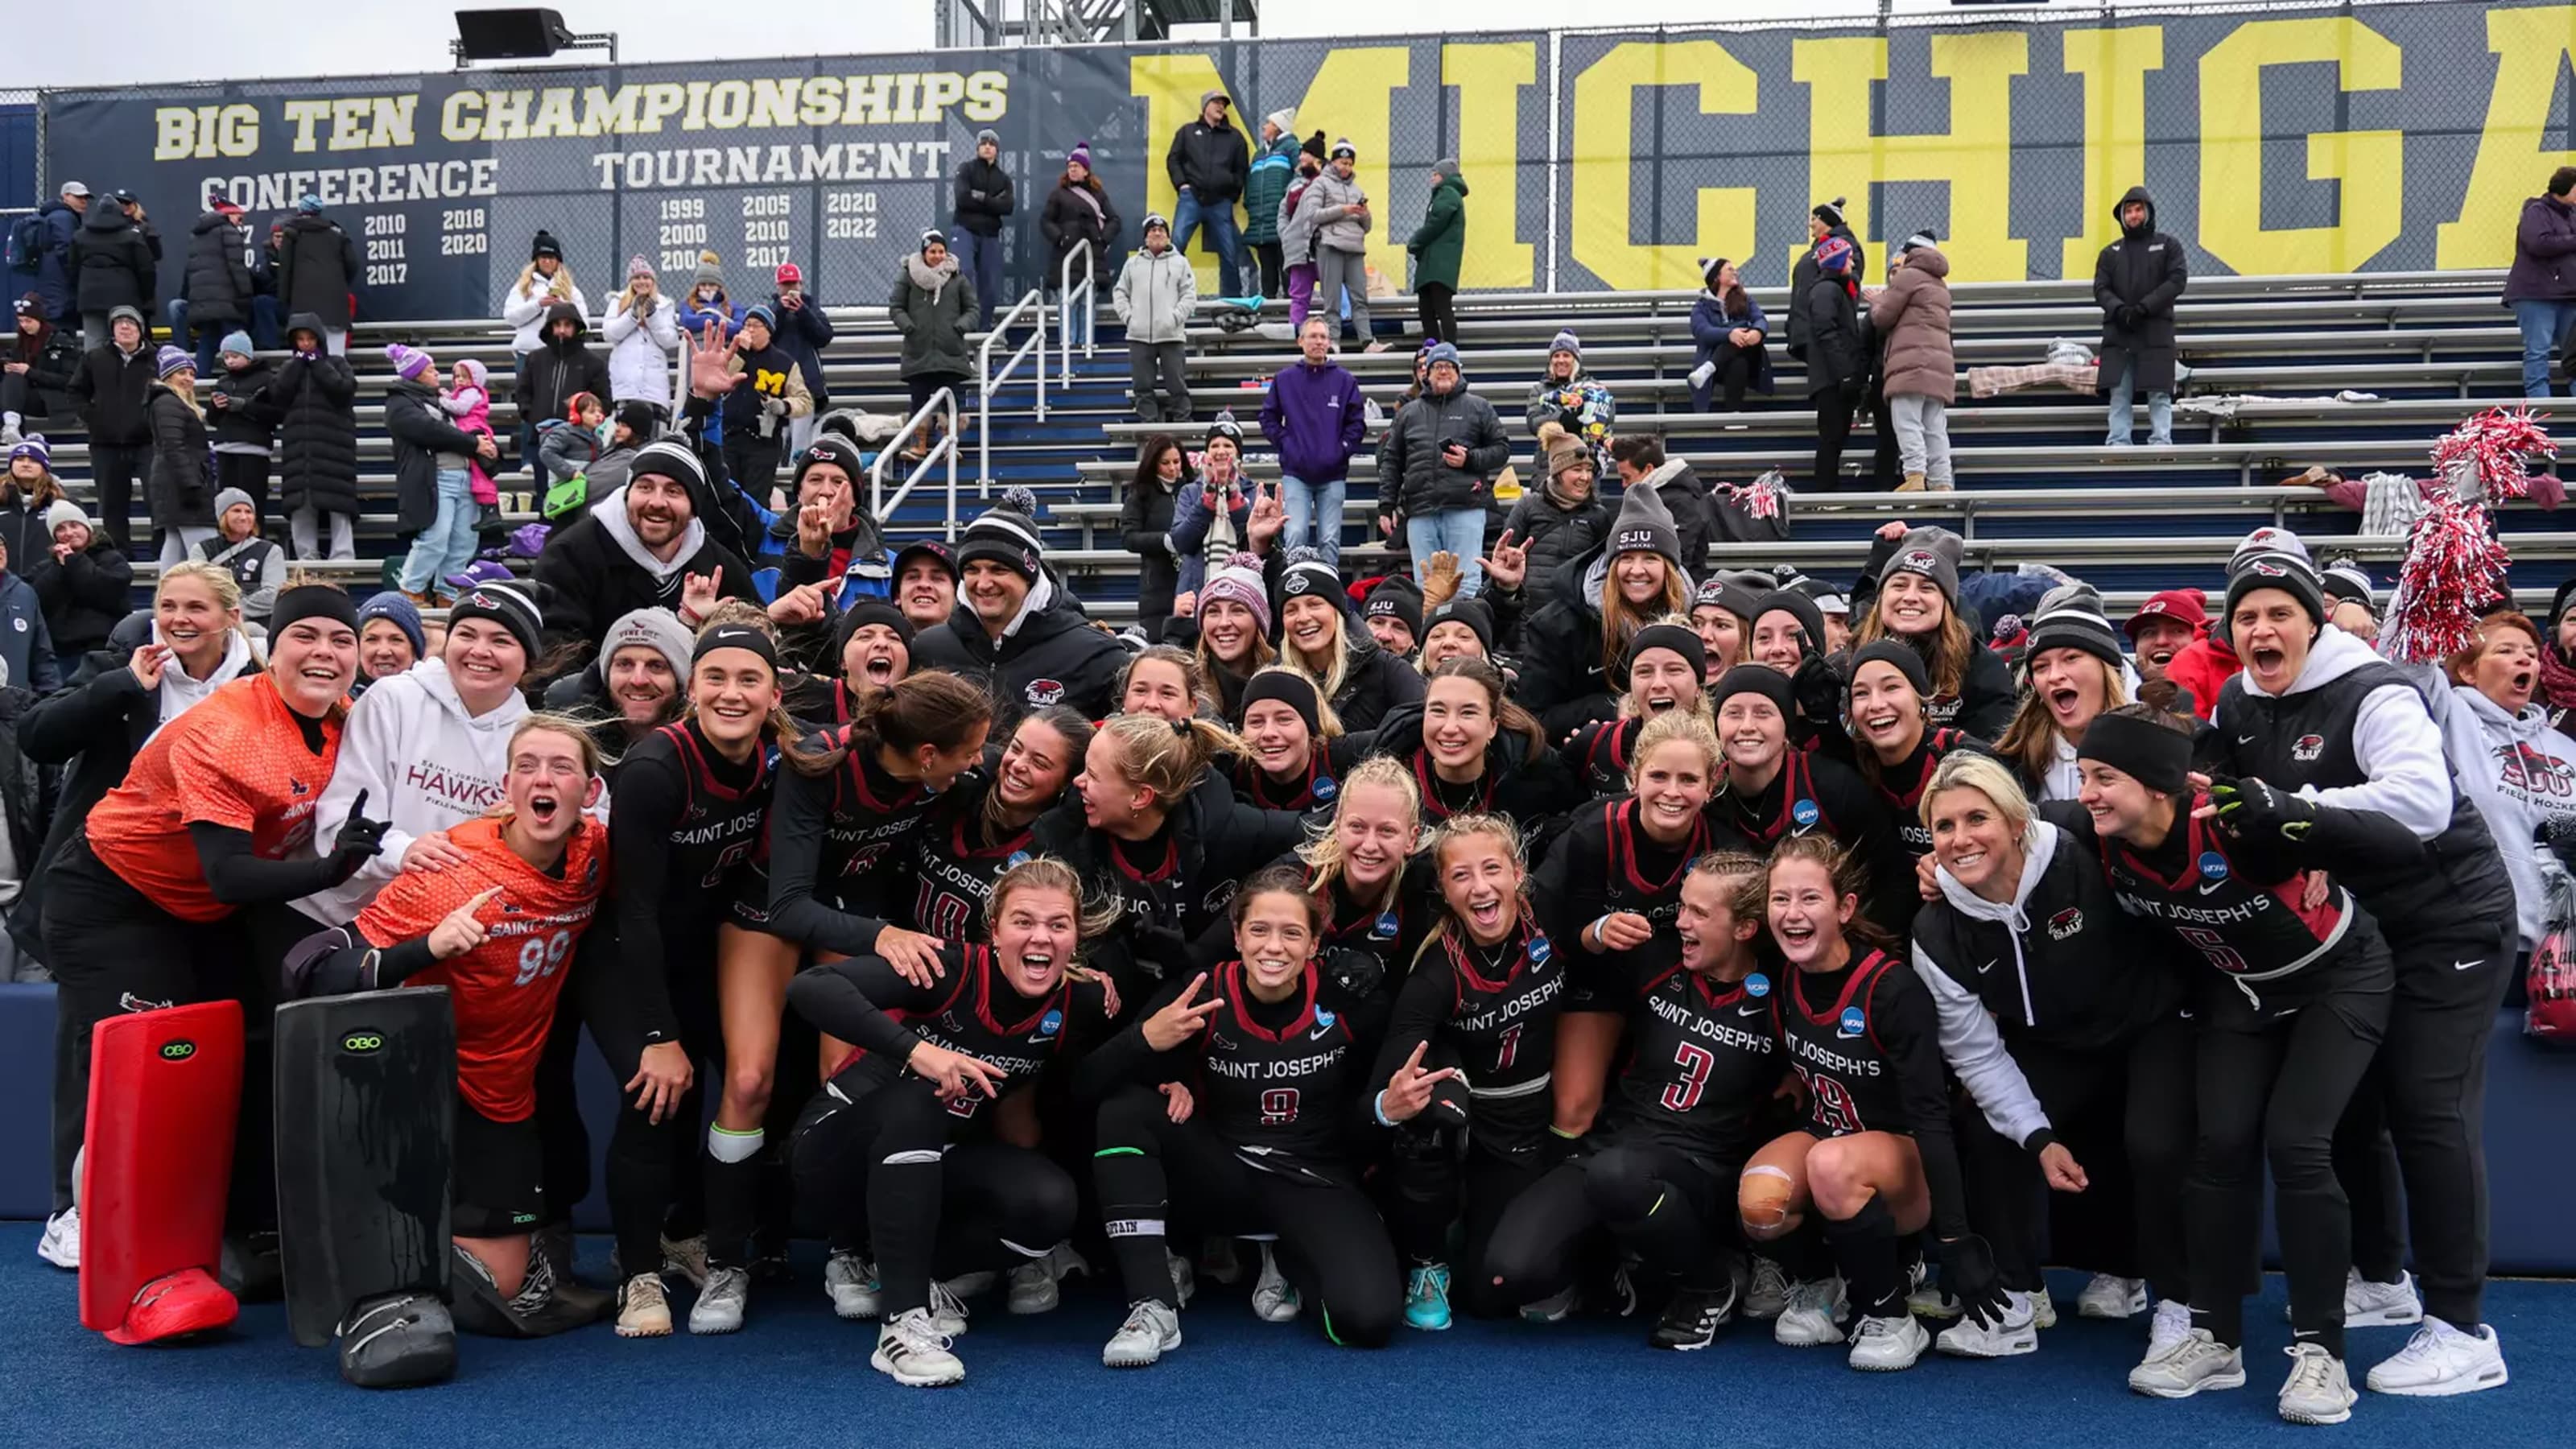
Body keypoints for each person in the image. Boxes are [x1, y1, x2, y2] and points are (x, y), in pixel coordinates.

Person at [2201, 530, 2520, 1399]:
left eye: (2278, 612)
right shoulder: (2234, 698)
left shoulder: (2371, 691)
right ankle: (2380, 1281)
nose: (2261, 629)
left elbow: (2419, 802)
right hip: (2357, 935)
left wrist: (2288, 806)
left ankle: (2461, 1329)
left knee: (2427, 1108)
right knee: (2349, 1110)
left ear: (2312, 619)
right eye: (2245, 615)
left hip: (2446, 921)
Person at [2077, 704, 2409, 1422]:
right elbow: (2008, 824)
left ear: (2161, 784)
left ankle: (2324, 1354)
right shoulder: (2096, 834)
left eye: (2104, 777)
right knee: (2217, 1145)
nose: (2087, 793)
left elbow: (2400, 841)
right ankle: (2215, 1337)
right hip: (2239, 992)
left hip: (2338, 978)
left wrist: (2308, 826)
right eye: (2082, 776)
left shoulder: (2234, 823)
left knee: (2297, 1144)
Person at [39, 585, 374, 1287]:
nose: (324, 653)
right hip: (118, 892)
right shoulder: (226, 730)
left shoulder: (348, 717)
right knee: (133, 1055)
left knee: (255, 1041)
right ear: (268, 647)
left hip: (203, 906)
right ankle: (82, 1215)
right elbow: (229, 874)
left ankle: (244, 1224)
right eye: (304, 637)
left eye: (340, 640)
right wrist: (334, 866)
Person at [283, 713, 612, 1335]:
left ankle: (429, 1245)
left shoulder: (593, 852)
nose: (544, 779)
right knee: (493, 1293)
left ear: (589, 794)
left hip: (505, 1086)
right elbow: (309, 969)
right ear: (506, 787)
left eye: (562, 768)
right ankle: (384, 1263)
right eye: (528, 767)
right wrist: (427, 948)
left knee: (508, 1287)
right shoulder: (455, 870)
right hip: (419, 1083)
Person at [702, 673, 992, 1335]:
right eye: (970, 750)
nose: (981, 760)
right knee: (749, 1080)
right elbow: (789, 904)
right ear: (925, 755)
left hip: (857, 915)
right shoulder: (818, 763)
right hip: (772, 914)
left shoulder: (951, 769)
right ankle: (725, 1260)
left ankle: (846, 1250)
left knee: (851, 1083)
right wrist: (884, 936)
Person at [1908, 753, 2190, 1362]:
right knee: (1989, 1131)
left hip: (2152, 1024)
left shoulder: (2079, 841)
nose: (1960, 839)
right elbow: (1978, 1057)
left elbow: (2180, 824)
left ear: (2015, 820)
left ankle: (2180, 1305)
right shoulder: (1935, 931)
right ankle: (2010, 1301)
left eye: (1976, 818)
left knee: (2156, 1142)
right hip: (2058, 1043)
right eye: (1944, 827)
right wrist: (2038, 1138)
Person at [786, 857, 1111, 1385]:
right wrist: (919, 1053)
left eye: (1058, 925)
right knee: (919, 1099)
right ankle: (902, 1325)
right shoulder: (949, 968)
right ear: (995, 932)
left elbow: (1022, 1108)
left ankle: (907, 1276)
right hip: (831, 1162)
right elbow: (811, 989)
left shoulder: (1077, 1002)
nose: (1042, 938)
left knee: (1049, 1204)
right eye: (1024, 922)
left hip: (927, 1169)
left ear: (1077, 938)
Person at [1081, 866, 1401, 1365]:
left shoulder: (1349, 1002)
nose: (1273, 947)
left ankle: (1288, 1256)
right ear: (1236, 936)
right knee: (1127, 1108)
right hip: (1226, 1176)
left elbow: (1375, 1095)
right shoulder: (1203, 992)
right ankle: (1153, 1304)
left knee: (1368, 1322)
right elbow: (1082, 1087)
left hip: (1314, 1180)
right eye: (1259, 930)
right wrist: (1144, 1042)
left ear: (1315, 944)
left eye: (1292, 932)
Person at [585, 623, 795, 1338]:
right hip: (625, 955)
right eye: (716, 678)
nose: (731, 694)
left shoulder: (777, 762)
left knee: (759, 1078)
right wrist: (659, 1033)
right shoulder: (656, 769)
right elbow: (635, 912)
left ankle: (689, 1232)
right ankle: (637, 1269)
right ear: (691, 687)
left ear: (774, 693)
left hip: (704, 954)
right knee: (656, 1094)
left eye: (747, 680)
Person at [1736, 834, 2007, 1373]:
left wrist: (1953, 1235)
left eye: (1810, 898)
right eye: (1780, 899)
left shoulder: (1891, 989)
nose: (1793, 913)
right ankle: (1824, 1282)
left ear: (1845, 907)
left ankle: (1890, 1313)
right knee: (1760, 1200)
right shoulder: (1786, 973)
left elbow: (1932, 1116)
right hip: (1830, 1141)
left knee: (1830, 1163)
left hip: (1905, 1169)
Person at [1373, 811, 1567, 1327]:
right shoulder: (1436, 971)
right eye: (1461, 876)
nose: (1480, 888)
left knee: (1495, 1292)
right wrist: (1388, 1105)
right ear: (1443, 889)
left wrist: (1596, 932)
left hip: (1531, 1123)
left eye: (1491, 870)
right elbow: (1391, 1072)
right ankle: (1426, 1259)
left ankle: (1474, 1231)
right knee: (1424, 1117)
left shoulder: (1549, 913)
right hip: (1471, 1120)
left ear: (1517, 874)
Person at [1536, 710, 1723, 1148]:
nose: (1672, 793)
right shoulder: (1590, 833)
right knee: (1574, 1106)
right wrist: (1596, 934)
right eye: (1658, 776)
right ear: (1634, 778)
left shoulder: (1723, 848)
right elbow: (1543, 928)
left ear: (1712, 786)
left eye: (1689, 780)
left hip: (1684, 990)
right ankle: (1565, 1179)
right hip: (1599, 981)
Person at [535, 440, 761, 660]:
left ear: (694, 509)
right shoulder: (571, 555)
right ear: (627, 494)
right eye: (645, 487)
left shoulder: (717, 566)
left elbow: (759, 648)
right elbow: (552, 660)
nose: (657, 502)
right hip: (591, 696)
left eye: (674, 491)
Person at [910, 499, 1125, 724]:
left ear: (1029, 576)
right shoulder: (929, 648)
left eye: (999, 570)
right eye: (972, 570)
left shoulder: (1096, 654)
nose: (983, 583)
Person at [1508, 483, 1692, 738]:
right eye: (1626, 558)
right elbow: (1529, 718)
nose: (1636, 570)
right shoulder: (1558, 624)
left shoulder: (1695, 617)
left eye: (1650, 558)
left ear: (1669, 568)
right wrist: (1612, 708)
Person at [898, 706, 1092, 943]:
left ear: (1067, 783)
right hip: (900, 954)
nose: (1018, 765)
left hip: (977, 973)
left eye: (1040, 763)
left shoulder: (1062, 849)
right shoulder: (955, 788)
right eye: (1016, 749)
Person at [1857, 527, 2017, 739]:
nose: (1910, 597)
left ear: (1947, 603)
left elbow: (1996, 751)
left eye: (1926, 588)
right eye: (1899, 585)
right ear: (1882, 598)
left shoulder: (1981, 668)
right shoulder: (1850, 659)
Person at [1844, 640, 1992, 869]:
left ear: (1920, 698)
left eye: (1891, 687)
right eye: (1861, 694)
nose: (1875, 704)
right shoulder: (1854, 766)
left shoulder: (1966, 758)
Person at [1378, 342, 1509, 595]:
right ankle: (1431, 635)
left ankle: (1464, 635)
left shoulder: (1478, 407)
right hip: (1420, 510)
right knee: (1426, 587)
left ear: (1459, 371)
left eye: (1449, 366)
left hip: (1465, 508)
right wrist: (1386, 505)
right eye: (1437, 366)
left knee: (1467, 583)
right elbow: (1391, 461)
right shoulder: (1408, 413)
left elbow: (1501, 449)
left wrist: (1469, 459)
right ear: (1426, 373)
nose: (1444, 371)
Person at [385, 345, 500, 604]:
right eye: (430, 370)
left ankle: (447, 595)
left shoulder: (446, 399)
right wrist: (473, 444)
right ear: (415, 375)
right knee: (435, 539)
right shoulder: (400, 403)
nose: (438, 374)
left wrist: (489, 448)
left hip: (467, 478)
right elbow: (430, 430)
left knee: (464, 542)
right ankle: (411, 591)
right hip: (437, 479)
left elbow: (474, 428)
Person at [1995, 583, 2130, 801]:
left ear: (2107, 668)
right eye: (2041, 667)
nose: (2054, 676)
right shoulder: (2016, 758)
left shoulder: (2156, 745)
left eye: (2071, 658)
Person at [1557, 619, 1712, 796]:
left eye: (1674, 670)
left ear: (1699, 687)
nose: (1658, 683)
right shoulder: (1594, 744)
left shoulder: (1723, 753)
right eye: (1644, 672)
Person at [1278, 553, 1425, 732]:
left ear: (1337, 611)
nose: (1303, 618)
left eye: (1314, 604)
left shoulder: (1388, 670)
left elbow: (1421, 729)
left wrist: (1332, 752)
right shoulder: (1272, 677)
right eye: (1291, 610)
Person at [1263, 316, 1368, 564]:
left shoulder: (1344, 380)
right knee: (1295, 534)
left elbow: (1357, 423)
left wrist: (1341, 450)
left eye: (1323, 337)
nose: (1318, 342)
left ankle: (1328, 595)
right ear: (1301, 341)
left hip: (1333, 474)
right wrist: (1287, 444)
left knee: (1329, 539)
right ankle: (1291, 590)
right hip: (1296, 473)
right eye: (1313, 336)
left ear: (1329, 342)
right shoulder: (1285, 380)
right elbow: (1268, 417)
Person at [2095, 186, 2187, 448]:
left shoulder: (2169, 245)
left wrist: (2145, 308)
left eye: (2138, 210)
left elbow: (2177, 280)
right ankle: (2118, 443)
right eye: (2129, 211)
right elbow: (2101, 289)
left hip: (2156, 332)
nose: (2133, 216)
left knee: (2159, 391)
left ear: (2147, 213)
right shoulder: (2109, 253)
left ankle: (2161, 443)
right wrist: (2120, 310)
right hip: (2119, 333)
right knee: (2119, 393)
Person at [1870, 231, 1955, 493]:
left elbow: (1883, 318)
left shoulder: (1908, 276)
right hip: (1938, 365)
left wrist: (1878, 301)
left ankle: (1915, 477)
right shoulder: (1940, 285)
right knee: (1934, 427)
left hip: (1911, 361)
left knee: (1907, 421)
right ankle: (1941, 482)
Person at [66, 305, 155, 550]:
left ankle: (162, 554)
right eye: (119, 323)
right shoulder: (95, 358)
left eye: (130, 322)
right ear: (112, 329)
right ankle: (120, 560)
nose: (124, 327)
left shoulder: (156, 359)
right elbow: (75, 391)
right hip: (105, 444)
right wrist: (93, 417)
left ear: (141, 329)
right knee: (112, 507)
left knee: (157, 501)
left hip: (149, 443)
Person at [272, 314, 359, 560]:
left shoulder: (337, 363)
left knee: (338, 504)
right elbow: (278, 395)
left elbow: (344, 390)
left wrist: (319, 364)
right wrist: (297, 366)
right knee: (302, 505)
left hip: (335, 448)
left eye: (310, 338)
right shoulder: (290, 368)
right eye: (300, 339)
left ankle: (343, 556)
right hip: (299, 448)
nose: (306, 343)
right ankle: (306, 558)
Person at [1496, 441, 1611, 626]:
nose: (1585, 477)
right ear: (1558, 472)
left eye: (1589, 470)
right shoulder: (1528, 506)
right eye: (1577, 469)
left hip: (1576, 620)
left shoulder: (1598, 516)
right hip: (1528, 618)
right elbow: (1506, 556)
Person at [890, 231, 978, 462]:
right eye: (933, 251)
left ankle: (949, 444)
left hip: (951, 353)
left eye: (941, 251)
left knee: (951, 401)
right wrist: (910, 327)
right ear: (924, 252)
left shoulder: (958, 278)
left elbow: (972, 309)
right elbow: (896, 307)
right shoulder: (907, 276)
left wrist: (959, 327)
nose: (938, 256)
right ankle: (917, 445)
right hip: (918, 352)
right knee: (919, 400)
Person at [1228, 667, 1367, 811]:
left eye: (1284, 719)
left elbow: (1391, 732)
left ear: (1311, 727)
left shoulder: (1341, 757)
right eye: (1256, 722)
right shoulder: (1233, 770)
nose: (1268, 733)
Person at [719, 305, 815, 498]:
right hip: (729, 437)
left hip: (763, 442)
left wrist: (784, 406)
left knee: (756, 499)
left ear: (769, 330)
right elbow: (721, 379)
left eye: (756, 325)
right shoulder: (731, 354)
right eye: (747, 325)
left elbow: (804, 400)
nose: (750, 330)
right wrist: (741, 354)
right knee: (727, 497)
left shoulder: (784, 363)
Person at [1166, 89, 1250, 298]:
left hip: (1220, 203)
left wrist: (1231, 193)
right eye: (1216, 102)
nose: (1221, 106)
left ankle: (1231, 304)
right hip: (1191, 198)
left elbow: (1241, 169)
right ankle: (1170, 297)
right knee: (1176, 246)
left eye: (1223, 103)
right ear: (1205, 107)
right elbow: (1173, 159)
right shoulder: (1187, 132)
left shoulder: (1235, 137)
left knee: (1229, 253)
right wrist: (1182, 185)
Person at [1167, 416, 1257, 609]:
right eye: (1214, 445)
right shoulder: (1190, 492)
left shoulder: (1255, 491)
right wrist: (1207, 502)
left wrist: (1235, 498)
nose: (1221, 451)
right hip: (1196, 591)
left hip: (1243, 589)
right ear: (1207, 453)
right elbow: (1181, 542)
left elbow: (1256, 543)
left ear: (1238, 453)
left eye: (1228, 445)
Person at [1114, 215, 1195, 426]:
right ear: (1145, 237)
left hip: (1171, 335)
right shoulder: (1132, 264)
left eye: (1161, 230)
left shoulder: (1181, 263)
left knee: (1176, 383)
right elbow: (1120, 292)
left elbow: (1189, 295)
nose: (1157, 233)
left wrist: (1175, 318)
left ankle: (1183, 421)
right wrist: (1129, 318)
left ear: (1168, 237)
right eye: (1152, 230)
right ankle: (1147, 423)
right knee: (1142, 385)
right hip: (1138, 336)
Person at [1299, 139, 1379, 353]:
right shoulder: (1320, 184)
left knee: (1360, 298)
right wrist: (1343, 210)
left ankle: (1368, 341)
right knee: (1332, 299)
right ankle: (1332, 341)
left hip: (1354, 247)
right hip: (1330, 245)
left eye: (1350, 164)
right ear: (1333, 162)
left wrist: (1364, 213)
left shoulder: (1357, 189)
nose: (1346, 167)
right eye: (1342, 162)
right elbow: (1312, 215)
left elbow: (1367, 227)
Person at [515, 302, 611, 479]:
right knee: (544, 496)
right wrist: (532, 415)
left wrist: (583, 423)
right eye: (557, 325)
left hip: (579, 445)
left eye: (567, 325)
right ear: (550, 327)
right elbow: (523, 392)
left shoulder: (594, 363)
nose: (562, 330)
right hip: (541, 437)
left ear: (576, 327)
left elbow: (605, 401)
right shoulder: (535, 359)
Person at [1039, 143, 1120, 352]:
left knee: (1086, 303)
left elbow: (1114, 220)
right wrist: (1060, 238)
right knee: (1066, 303)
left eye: (1077, 165)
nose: (1072, 169)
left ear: (1086, 170)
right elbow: (1046, 221)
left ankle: (1085, 345)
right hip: (1065, 258)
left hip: (1091, 258)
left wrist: (1101, 240)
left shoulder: (1098, 194)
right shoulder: (1058, 194)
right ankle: (1067, 346)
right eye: (1070, 166)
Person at [1804, 237, 1869, 489]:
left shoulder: (1835, 290)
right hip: (1831, 380)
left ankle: (1827, 491)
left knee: (1837, 436)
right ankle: (1825, 494)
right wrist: (1845, 374)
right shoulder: (1826, 291)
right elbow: (1827, 333)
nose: (1853, 262)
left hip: (1835, 377)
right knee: (1832, 437)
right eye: (1849, 257)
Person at [2505, 166, 2576, 399]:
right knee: (2538, 350)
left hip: (2568, 294)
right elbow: (2539, 244)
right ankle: (2541, 405)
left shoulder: (2572, 214)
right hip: (2537, 295)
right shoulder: (2536, 211)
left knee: (2574, 353)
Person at [142, 346, 216, 566]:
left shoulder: (167, 402)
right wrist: (192, 484)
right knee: (205, 553)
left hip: (174, 484)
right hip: (181, 485)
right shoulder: (167, 402)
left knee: (175, 549)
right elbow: (173, 446)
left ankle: (165, 598)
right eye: (182, 373)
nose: (189, 379)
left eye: (192, 373)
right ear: (167, 376)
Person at [1610, 436, 1715, 578]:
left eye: (1627, 477)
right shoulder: (1665, 498)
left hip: (1676, 592)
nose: (1623, 484)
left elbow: (1679, 559)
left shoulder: (1680, 501)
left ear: (1648, 469)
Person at [1187, 553, 1277, 720]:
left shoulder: (1285, 682)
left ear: (1260, 622)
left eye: (1238, 611)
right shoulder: (1186, 684)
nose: (1224, 623)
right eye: (1213, 612)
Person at [35, 499, 130, 656]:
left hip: (103, 647)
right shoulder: (45, 568)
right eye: (60, 529)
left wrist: (73, 561)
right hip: (59, 650)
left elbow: (104, 592)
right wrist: (60, 567)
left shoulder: (112, 559)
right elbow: (38, 598)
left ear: (87, 528)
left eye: (74, 525)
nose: (69, 533)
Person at [204, 332, 278, 531]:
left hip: (254, 449)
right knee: (225, 503)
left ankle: (254, 542)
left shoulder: (268, 379)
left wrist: (245, 406)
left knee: (252, 502)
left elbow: (276, 415)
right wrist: (215, 407)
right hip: (225, 447)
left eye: (235, 356)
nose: (230, 361)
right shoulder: (222, 382)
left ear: (248, 355)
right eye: (226, 357)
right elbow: (212, 420)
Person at [69, 189, 157, 348]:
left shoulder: (80, 236)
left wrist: (80, 290)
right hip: (125, 297)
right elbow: (147, 269)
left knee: (94, 345)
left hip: (90, 297)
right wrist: (145, 296)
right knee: (126, 343)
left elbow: (72, 268)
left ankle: (95, 373)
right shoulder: (132, 236)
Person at [1785, 196, 1865, 368]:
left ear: (1826, 221)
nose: (1811, 224)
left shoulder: (1844, 246)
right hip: (1810, 330)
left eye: (1814, 219)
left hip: (1825, 330)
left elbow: (1850, 280)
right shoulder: (1816, 250)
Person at [1121, 436, 1187, 638]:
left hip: (1188, 579)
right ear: (1153, 463)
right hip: (1157, 586)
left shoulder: (1191, 489)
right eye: (1165, 463)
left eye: (1176, 462)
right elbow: (1129, 537)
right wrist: (1165, 541)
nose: (1172, 468)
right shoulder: (1140, 493)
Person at [274, 196, 357, 354]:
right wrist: (341, 284)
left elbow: (285, 269)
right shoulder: (337, 232)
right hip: (335, 301)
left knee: (305, 355)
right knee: (335, 356)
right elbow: (352, 264)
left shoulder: (291, 232)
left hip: (302, 301)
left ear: (300, 210)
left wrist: (284, 300)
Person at [187, 489, 281, 628]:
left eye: (248, 512)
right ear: (223, 516)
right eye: (236, 511)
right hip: (213, 623)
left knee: (253, 630)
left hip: (258, 622)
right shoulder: (202, 550)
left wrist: (232, 611)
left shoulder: (270, 550)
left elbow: (273, 595)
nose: (244, 517)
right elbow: (198, 590)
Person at [766, 264, 834, 458]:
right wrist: (780, 310)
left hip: (805, 383)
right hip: (775, 382)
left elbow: (825, 336)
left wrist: (803, 312)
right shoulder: (771, 310)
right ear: (778, 286)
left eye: (793, 284)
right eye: (785, 285)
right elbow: (764, 336)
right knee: (776, 438)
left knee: (800, 442)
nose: (790, 289)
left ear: (801, 285)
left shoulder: (811, 307)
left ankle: (798, 476)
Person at [178, 200, 253, 376]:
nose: (240, 223)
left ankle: (200, 383)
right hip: (226, 302)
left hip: (202, 304)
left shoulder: (197, 236)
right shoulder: (229, 231)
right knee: (237, 345)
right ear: (228, 216)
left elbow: (190, 271)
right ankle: (244, 384)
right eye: (239, 218)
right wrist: (245, 298)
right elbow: (237, 268)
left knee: (207, 342)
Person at [1687, 258, 1771, 413]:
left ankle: (1708, 368)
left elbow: (1760, 319)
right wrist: (1729, 334)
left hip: (1749, 355)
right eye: (1730, 270)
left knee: (1741, 339)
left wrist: (1757, 332)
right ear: (1717, 277)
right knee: (1738, 359)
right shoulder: (1701, 307)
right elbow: (1703, 333)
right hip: (1720, 360)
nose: (1736, 272)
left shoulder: (1745, 299)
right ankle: (1734, 414)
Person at [1524, 331, 1615, 472]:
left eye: (1566, 355)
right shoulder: (1540, 390)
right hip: (1549, 465)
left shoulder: (1594, 388)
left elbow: (1608, 415)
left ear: (1576, 360)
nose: (1561, 360)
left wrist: (1586, 416)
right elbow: (1534, 423)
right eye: (1556, 356)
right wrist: (1564, 418)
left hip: (1585, 462)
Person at [951, 130, 1015, 326]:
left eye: (992, 143)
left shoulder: (1004, 179)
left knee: (990, 285)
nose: (987, 146)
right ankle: (963, 323)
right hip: (965, 229)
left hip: (990, 235)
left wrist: (980, 197)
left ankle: (984, 328)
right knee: (965, 273)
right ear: (978, 147)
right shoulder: (966, 169)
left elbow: (1008, 207)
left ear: (997, 149)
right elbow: (962, 199)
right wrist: (992, 201)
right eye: (983, 143)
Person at [603, 256, 679, 410]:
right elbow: (609, 334)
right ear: (630, 281)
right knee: (625, 432)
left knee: (655, 433)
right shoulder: (617, 301)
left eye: (646, 277)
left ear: (653, 281)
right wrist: (632, 315)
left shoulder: (664, 305)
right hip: (625, 387)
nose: (642, 281)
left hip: (654, 388)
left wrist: (652, 315)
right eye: (637, 277)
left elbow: (670, 341)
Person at [1406, 158, 1468, 346]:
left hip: (1439, 265)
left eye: (1435, 175)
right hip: (1433, 263)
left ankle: (1449, 348)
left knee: (1440, 307)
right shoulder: (1445, 194)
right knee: (1427, 308)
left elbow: (1435, 224)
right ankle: (1433, 348)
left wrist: (1416, 242)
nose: (1432, 179)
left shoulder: (1448, 194)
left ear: (1444, 176)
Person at [1245, 109, 1300, 299]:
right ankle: (1268, 318)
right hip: (1261, 223)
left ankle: (1290, 320)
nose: (1264, 126)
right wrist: (1249, 203)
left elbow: (1301, 175)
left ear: (1277, 127)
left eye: (1268, 123)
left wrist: (1287, 200)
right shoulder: (1259, 154)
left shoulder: (1291, 147)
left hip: (1282, 222)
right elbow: (1250, 182)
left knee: (1287, 271)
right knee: (1267, 274)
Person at [1278, 137, 1329, 335]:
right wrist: (1287, 235)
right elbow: (1282, 213)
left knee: (1335, 293)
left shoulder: (1329, 182)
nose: (1301, 158)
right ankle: (1296, 336)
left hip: (1325, 247)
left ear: (1315, 157)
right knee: (1299, 296)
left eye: (1305, 154)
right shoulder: (1294, 184)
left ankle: (1337, 334)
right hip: (1299, 250)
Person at [16, 184, 85, 331]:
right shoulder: (64, 217)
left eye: (85, 198)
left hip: (49, 282)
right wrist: (75, 273)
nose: (83, 201)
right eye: (79, 197)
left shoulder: (50, 215)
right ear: (65, 196)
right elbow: (65, 249)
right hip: (60, 286)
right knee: (62, 325)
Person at [354, 592, 426, 690]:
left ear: (414, 649)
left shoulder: (435, 699)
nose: (384, 652)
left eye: (396, 640)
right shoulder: (336, 699)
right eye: (372, 639)